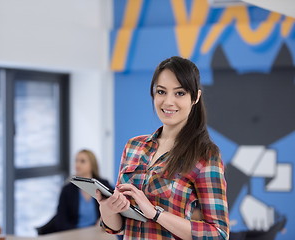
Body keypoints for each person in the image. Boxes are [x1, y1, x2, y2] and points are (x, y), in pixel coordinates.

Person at [96, 56, 229, 240]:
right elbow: (117, 228)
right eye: (161, 92)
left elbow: (219, 235)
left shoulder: (205, 155)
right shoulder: (134, 146)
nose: (168, 102)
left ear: (195, 97)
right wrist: (107, 208)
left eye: (180, 93)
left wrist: (155, 214)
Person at [36, 149, 112, 235]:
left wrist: (103, 221)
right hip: (74, 234)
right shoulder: (67, 190)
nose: (77, 164)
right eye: (76, 161)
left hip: (97, 234)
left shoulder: (103, 185)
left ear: (92, 164)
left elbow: (113, 208)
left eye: (82, 161)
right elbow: (61, 221)